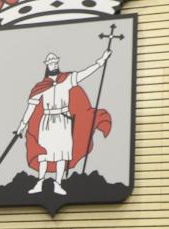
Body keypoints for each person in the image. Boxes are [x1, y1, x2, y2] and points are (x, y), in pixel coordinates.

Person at [17, 49, 111, 195]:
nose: (53, 64)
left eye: (55, 62)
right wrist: (22, 125)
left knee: (62, 154)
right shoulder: (41, 87)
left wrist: (101, 61)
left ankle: (58, 184)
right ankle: (40, 183)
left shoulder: (67, 79)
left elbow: (85, 73)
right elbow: (31, 107)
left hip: (63, 121)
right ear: (47, 65)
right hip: (47, 121)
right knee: (43, 154)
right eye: (51, 63)